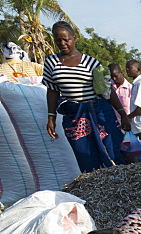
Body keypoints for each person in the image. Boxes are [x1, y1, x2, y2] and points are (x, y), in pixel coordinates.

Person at [43, 21, 128, 172]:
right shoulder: (51, 62)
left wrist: (123, 114)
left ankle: (121, 185)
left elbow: (107, 90)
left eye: (66, 39)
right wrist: (51, 117)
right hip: (74, 115)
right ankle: (95, 190)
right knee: (85, 155)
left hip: (99, 111)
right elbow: (53, 90)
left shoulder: (91, 62)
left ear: (74, 38)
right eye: (58, 40)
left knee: (112, 151)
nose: (62, 43)